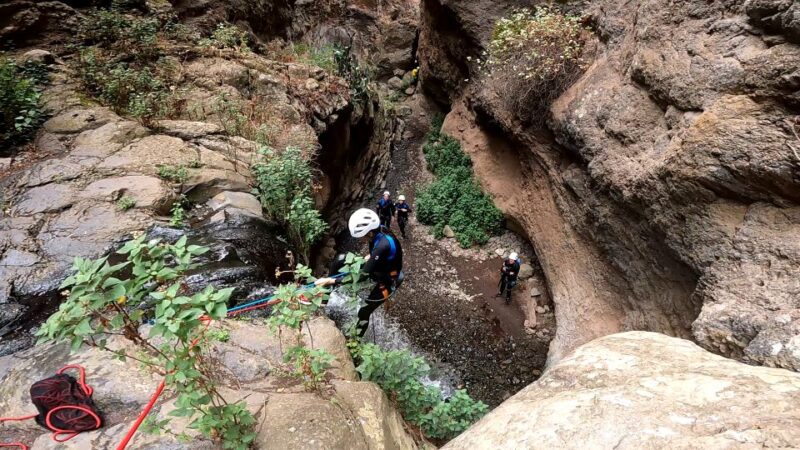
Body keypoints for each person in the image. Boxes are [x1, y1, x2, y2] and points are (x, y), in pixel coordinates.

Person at [316, 208, 404, 337]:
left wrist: (330, 280)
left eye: (361, 236)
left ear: (369, 233)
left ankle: (355, 341)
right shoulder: (380, 230)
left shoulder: (383, 245)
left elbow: (363, 275)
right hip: (379, 266)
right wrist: (370, 257)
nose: (359, 240)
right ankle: (324, 302)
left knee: (363, 311)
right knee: (340, 260)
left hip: (388, 279)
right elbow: (381, 252)